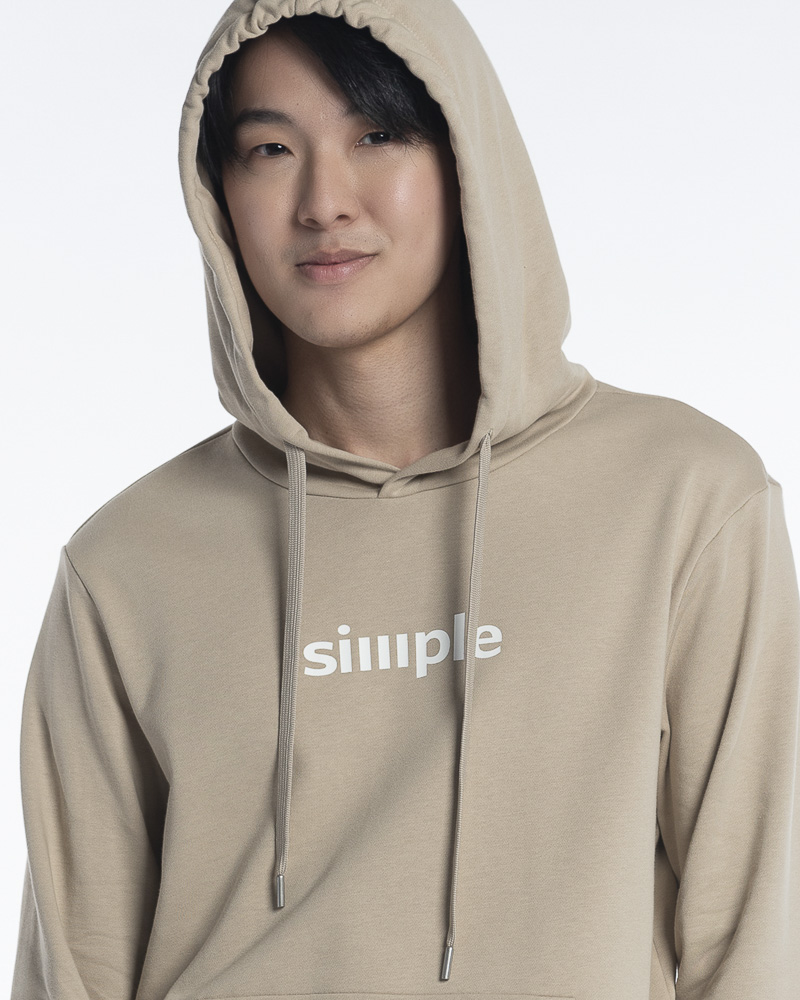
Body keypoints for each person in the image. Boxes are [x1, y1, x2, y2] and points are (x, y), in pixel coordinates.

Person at [9, 1, 799, 999]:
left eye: (377, 134)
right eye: (268, 150)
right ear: (217, 195)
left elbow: (753, 938)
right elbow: (74, 964)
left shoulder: (683, 501)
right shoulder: (127, 564)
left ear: (467, 158)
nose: (323, 202)